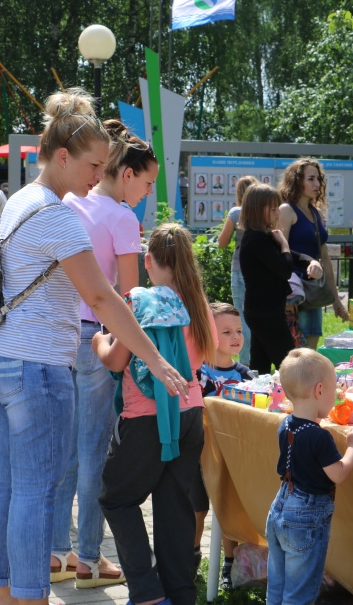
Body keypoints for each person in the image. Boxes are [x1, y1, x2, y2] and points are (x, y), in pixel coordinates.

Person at [0, 89, 185, 605]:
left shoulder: (19, 199)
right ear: (62, 156)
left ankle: (6, 595)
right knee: (35, 493)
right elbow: (104, 297)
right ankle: (29, 597)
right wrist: (154, 358)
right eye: (93, 165)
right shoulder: (58, 215)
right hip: (35, 365)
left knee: (7, 486)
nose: (97, 176)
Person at [50, 119, 159, 588]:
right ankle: (91, 559)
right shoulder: (122, 218)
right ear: (127, 172)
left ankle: (56, 554)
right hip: (98, 338)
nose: (147, 193)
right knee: (94, 449)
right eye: (148, 182)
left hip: (59, 336)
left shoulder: (70, 202)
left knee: (64, 449)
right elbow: (130, 296)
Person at [94, 223, 217, 605]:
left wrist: (101, 339)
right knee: (174, 506)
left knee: (116, 498)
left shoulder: (138, 301)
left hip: (145, 418)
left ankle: (146, 593)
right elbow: (207, 355)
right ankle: (180, 595)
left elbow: (116, 361)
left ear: (148, 260)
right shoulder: (198, 306)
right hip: (190, 415)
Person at [266, 348, 353, 605]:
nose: (334, 397)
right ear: (319, 391)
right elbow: (339, 474)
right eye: (334, 391)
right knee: (300, 594)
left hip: (280, 508)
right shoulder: (319, 436)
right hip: (304, 517)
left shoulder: (285, 423)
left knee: (277, 587)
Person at [193, 302, 251, 589]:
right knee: (197, 508)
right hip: (200, 453)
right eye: (226, 331)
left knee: (227, 509)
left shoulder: (247, 376)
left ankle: (231, 563)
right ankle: (191, 560)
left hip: (231, 456)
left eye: (238, 330)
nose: (235, 337)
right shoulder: (197, 373)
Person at [240, 183, 322, 374]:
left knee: (259, 366)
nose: (278, 213)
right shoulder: (255, 240)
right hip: (264, 313)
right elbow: (284, 269)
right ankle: (296, 398)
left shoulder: (266, 237)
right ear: (259, 210)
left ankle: (259, 397)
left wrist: (312, 262)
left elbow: (295, 257)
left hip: (264, 311)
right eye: (274, 208)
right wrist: (284, 243)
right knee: (289, 365)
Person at [277, 158, 349, 349]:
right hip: (293, 291)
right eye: (311, 179)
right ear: (296, 180)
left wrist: (336, 301)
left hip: (313, 290)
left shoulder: (315, 213)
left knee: (311, 346)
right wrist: (286, 295)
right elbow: (280, 253)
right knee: (294, 351)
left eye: (318, 179)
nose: (317, 184)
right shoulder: (286, 210)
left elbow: (325, 259)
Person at [217, 175, 258, 365]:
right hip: (259, 271)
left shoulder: (236, 213)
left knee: (242, 319)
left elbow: (222, 242)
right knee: (257, 316)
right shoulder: (263, 213)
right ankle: (258, 360)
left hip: (239, 268)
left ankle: (244, 363)